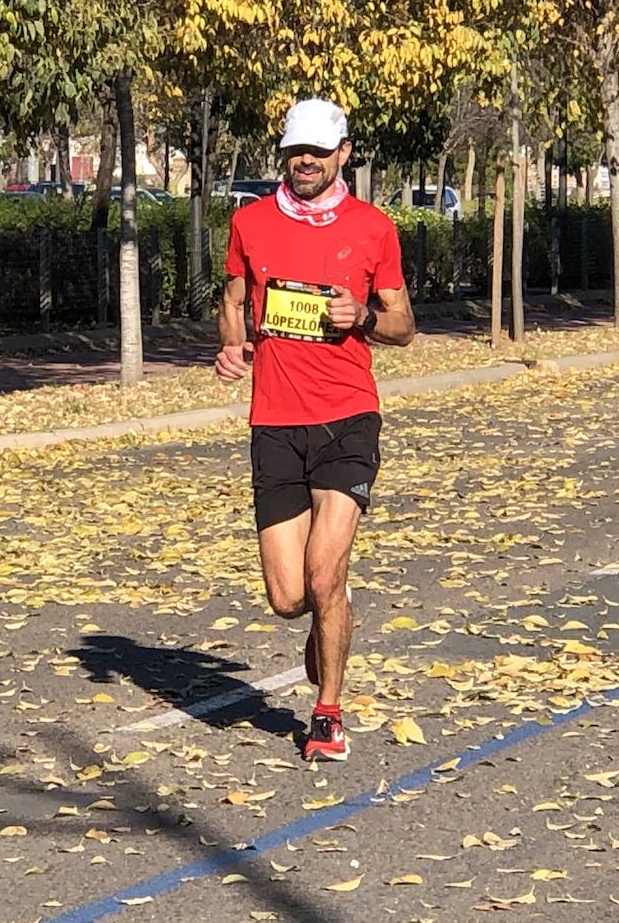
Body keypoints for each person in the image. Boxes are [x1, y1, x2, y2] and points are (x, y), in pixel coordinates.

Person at [215, 98, 415, 762]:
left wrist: (361, 316)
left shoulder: (373, 229)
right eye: (294, 151)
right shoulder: (249, 222)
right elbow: (235, 301)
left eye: (317, 151)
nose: (304, 161)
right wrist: (232, 347)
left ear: (343, 153)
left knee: (324, 575)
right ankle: (331, 611)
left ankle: (326, 713)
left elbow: (404, 328)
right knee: (287, 595)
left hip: (348, 417)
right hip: (275, 421)